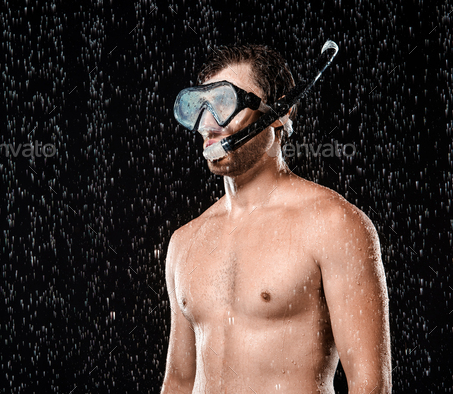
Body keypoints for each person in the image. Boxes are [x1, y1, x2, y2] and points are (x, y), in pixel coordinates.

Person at [161, 44, 391, 393]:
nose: (209, 124)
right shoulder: (185, 242)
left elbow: (369, 384)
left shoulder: (333, 224)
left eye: (224, 104)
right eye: (200, 108)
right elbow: (179, 382)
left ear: (281, 112)